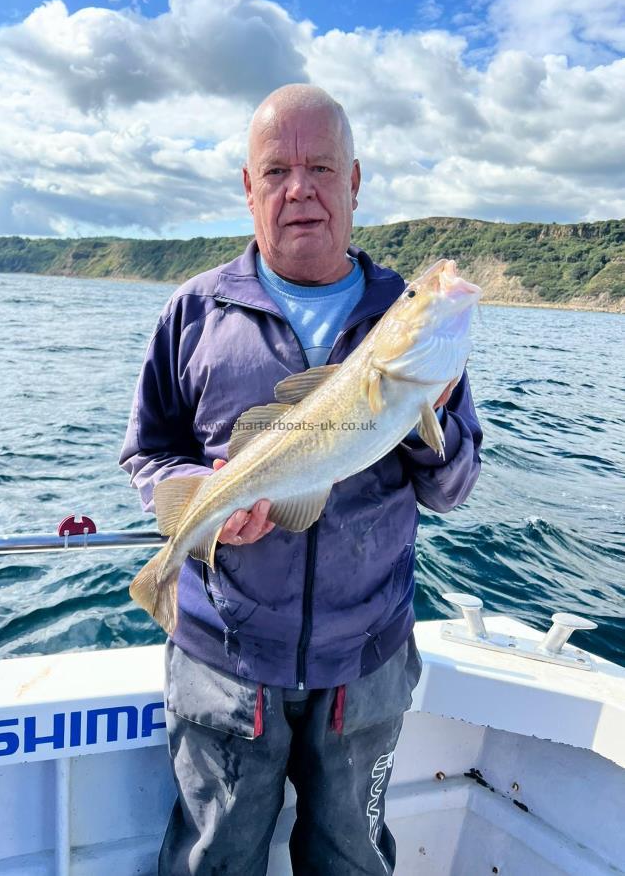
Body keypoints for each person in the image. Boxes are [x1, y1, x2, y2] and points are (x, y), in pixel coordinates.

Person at [120, 84, 482, 875]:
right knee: (211, 860)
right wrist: (194, 492)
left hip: (367, 658)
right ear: (247, 188)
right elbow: (147, 454)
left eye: (321, 166)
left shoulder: (408, 325)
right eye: (276, 170)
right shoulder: (193, 311)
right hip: (223, 658)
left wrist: (434, 416)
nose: (299, 189)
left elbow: (452, 490)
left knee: (352, 860)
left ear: (354, 182)